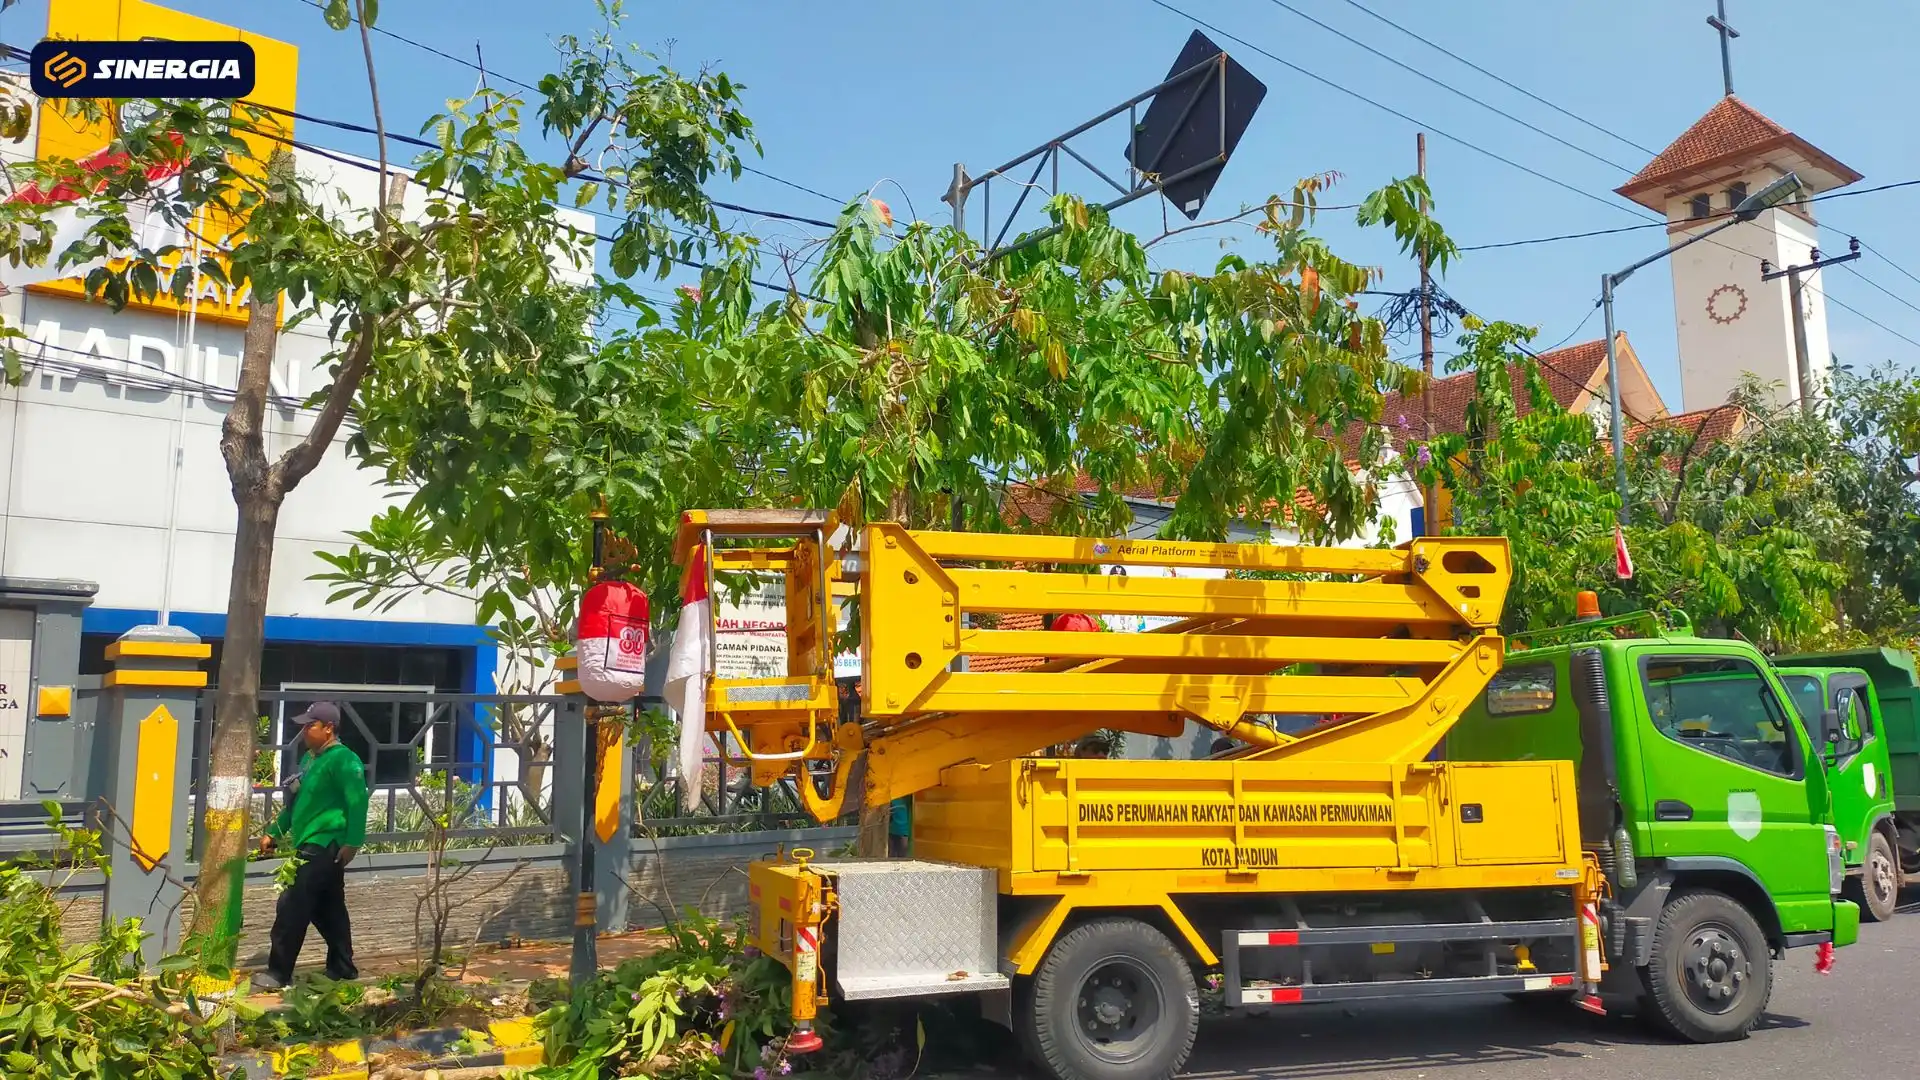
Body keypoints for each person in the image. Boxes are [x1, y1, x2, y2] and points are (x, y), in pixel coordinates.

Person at [256, 701, 368, 989]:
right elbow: (295, 805)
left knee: (292, 905)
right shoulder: (310, 760)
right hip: (309, 842)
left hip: (325, 843)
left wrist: (352, 843)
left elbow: (358, 803)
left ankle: (278, 973)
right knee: (328, 909)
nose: (304, 731)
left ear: (328, 728)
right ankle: (342, 968)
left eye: (310, 725)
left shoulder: (345, 760)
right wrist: (273, 833)